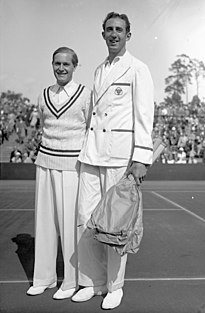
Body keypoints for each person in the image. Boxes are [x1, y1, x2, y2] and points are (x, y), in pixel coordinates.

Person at [72, 12, 154, 310]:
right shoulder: (98, 70)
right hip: (92, 153)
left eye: (119, 30)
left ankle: (114, 286)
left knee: (115, 225)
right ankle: (90, 282)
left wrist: (141, 158)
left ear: (128, 35)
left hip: (120, 156)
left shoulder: (138, 69)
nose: (114, 34)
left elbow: (145, 115)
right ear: (103, 34)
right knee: (85, 218)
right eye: (109, 29)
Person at [27, 47, 91, 299]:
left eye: (66, 64)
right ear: (52, 65)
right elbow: (45, 125)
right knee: (44, 223)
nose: (61, 68)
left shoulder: (85, 94)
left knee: (69, 225)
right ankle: (44, 277)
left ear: (75, 66)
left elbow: (89, 127)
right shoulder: (43, 94)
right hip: (45, 162)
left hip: (72, 167)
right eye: (57, 63)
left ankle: (71, 281)